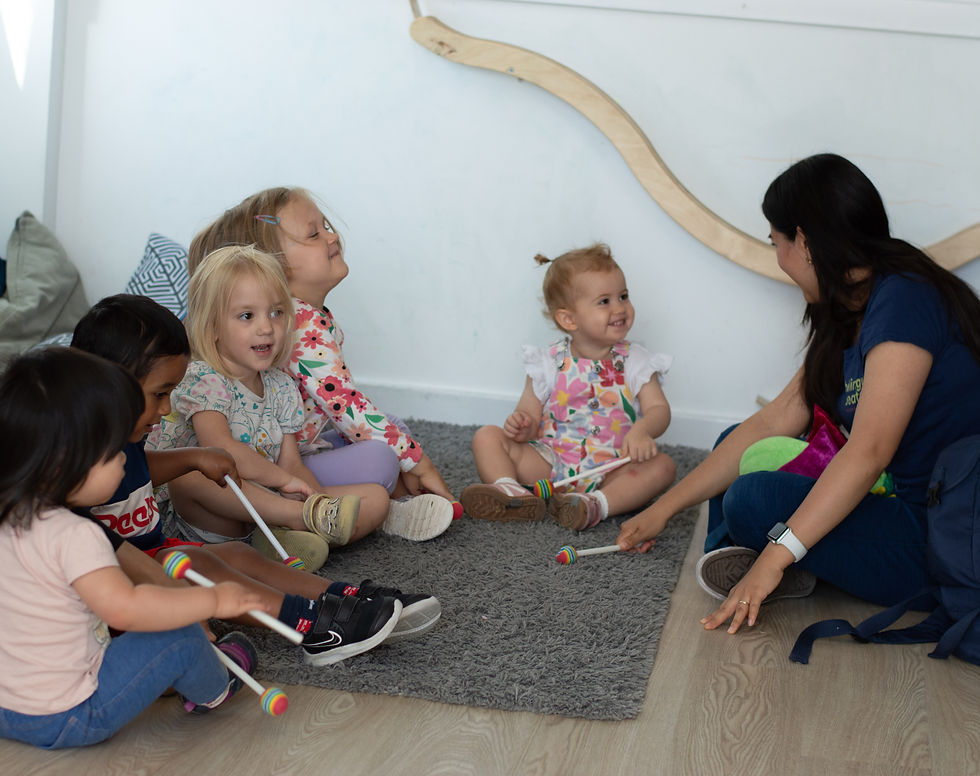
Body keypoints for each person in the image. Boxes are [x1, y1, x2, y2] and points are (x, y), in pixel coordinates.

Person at [616, 153, 980, 635]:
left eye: (777, 243)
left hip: (937, 537)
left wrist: (771, 560)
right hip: (894, 498)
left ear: (804, 240)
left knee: (751, 497)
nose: (780, 260)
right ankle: (766, 560)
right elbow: (776, 419)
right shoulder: (850, 306)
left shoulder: (904, 300)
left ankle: (766, 563)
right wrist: (663, 507)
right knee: (736, 440)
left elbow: (869, 451)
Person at [73, 294, 440, 663]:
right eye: (159, 394)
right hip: (118, 585)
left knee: (236, 553)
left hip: (155, 550)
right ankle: (312, 625)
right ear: (108, 384)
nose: (167, 407)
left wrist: (191, 457)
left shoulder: (124, 434)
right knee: (198, 563)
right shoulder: (74, 460)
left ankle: (342, 597)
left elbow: (137, 473)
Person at [0, 347, 269, 749]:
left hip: (7, 708)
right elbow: (126, 608)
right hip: (68, 715)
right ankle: (214, 687)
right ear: (63, 462)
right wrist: (212, 602)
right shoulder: (77, 533)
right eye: (114, 453)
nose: (127, 462)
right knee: (177, 636)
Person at [187, 187, 455, 541]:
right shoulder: (302, 324)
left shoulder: (303, 320)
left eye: (325, 226)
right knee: (384, 456)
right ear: (276, 264)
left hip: (295, 451)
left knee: (391, 426)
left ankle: (379, 506)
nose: (332, 235)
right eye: (314, 233)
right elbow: (345, 405)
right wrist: (418, 461)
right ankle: (382, 508)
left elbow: (342, 414)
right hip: (274, 466)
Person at [148, 244, 394, 551]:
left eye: (276, 313)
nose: (266, 327)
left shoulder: (281, 385)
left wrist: (316, 501)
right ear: (212, 328)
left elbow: (291, 464)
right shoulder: (203, 378)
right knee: (193, 476)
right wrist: (285, 485)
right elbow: (223, 450)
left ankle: (294, 534)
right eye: (247, 316)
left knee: (375, 497)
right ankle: (297, 523)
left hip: (266, 507)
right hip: (206, 520)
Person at [461, 243, 677, 530]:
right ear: (568, 319)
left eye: (623, 296)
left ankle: (594, 504)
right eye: (605, 301)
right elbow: (528, 412)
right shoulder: (548, 361)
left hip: (612, 467)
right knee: (486, 437)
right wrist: (522, 424)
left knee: (663, 467)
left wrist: (642, 431)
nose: (620, 308)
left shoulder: (636, 360)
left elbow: (659, 410)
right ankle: (511, 493)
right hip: (550, 462)